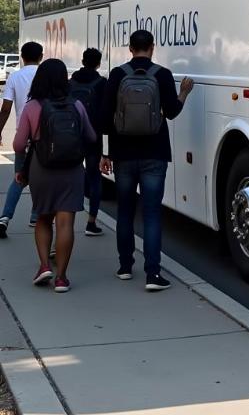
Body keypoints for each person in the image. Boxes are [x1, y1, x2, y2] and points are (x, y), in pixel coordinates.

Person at [101, 30, 194, 291]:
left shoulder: (118, 75)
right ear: (152, 48)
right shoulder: (162, 75)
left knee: (125, 212)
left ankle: (124, 267)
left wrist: (106, 153)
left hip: (123, 154)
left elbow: (105, 117)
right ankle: (153, 274)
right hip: (155, 153)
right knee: (152, 214)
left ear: (130, 48)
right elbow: (172, 113)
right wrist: (184, 92)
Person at [13, 59, 96, 292]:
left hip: (42, 168)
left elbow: (18, 145)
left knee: (43, 218)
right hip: (72, 170)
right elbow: (90, 136)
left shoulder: (32, 107)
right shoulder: (76, 105)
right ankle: (62, 277)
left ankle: (43, 266)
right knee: (65, 222)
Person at [0, 41, 43, 237]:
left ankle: (4, 218)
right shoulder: (46, 75)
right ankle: (36, 216)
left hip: (22, 136)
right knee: (41, 178)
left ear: (21, 57)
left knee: (19, 177)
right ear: (41, 56)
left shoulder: (15, 76)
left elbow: (6, 109)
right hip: (44, 137)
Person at [69, 48, 107, 236]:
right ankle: (91, 222)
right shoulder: (102, 83)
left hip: (72, 136)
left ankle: (66, 221)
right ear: (99, 63)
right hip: (94, 137)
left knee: (72, 176)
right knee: (94, 177)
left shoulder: (71, 82)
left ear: (82, 61)